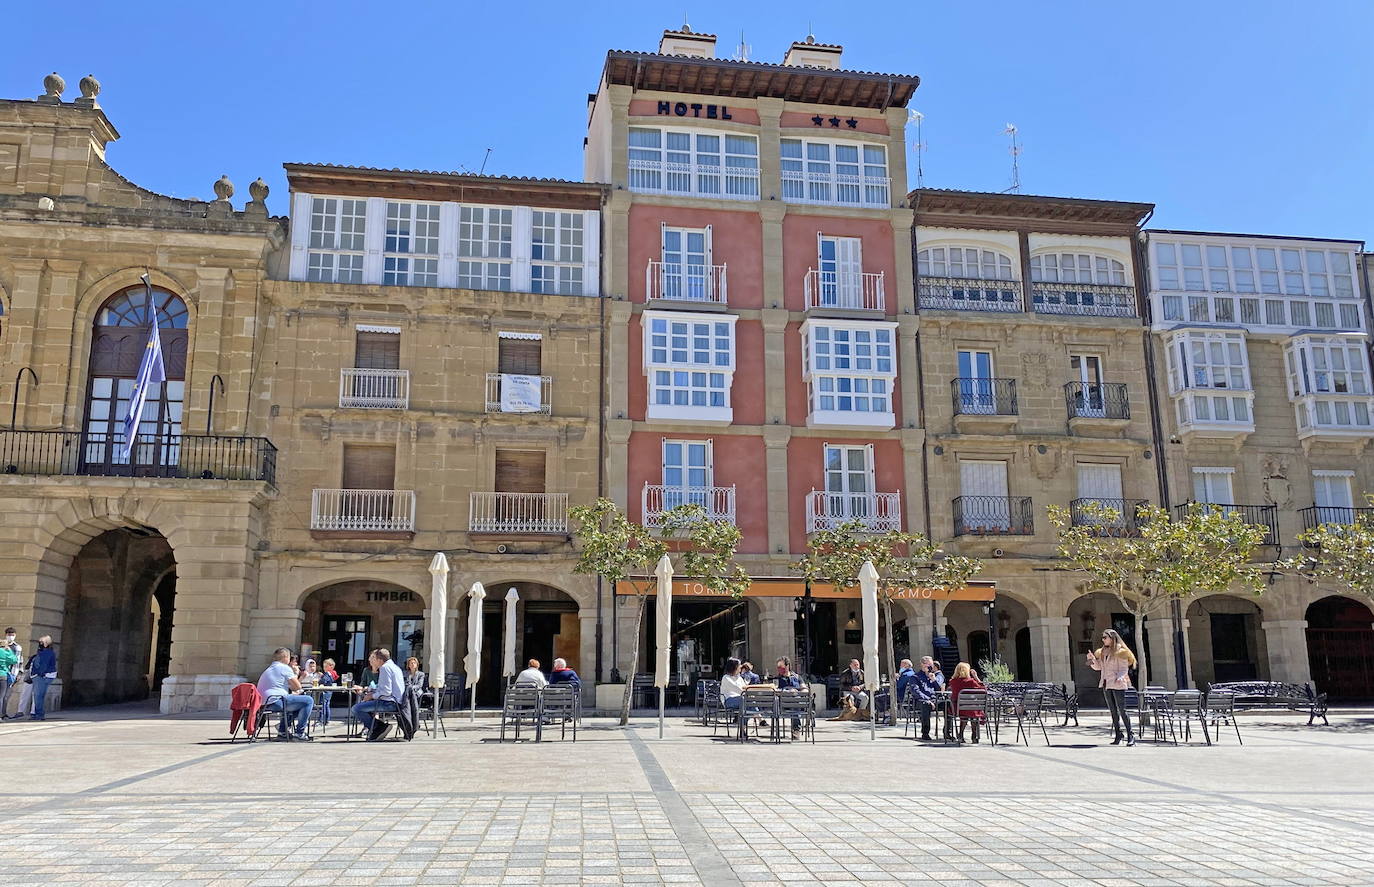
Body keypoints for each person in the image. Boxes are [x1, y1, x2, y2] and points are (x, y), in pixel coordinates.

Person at [1087, 628, 1137, 747]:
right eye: (1103, 637)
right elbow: (1099, 667)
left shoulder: (1121, 652)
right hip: (1106, 683)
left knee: (1122, 710)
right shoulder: (1102, 652)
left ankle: (1131, 735)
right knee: (1113, 711)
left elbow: (1124, 668)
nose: (1103, 640)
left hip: (1118, 683)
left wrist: (1119, 677)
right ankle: (1118, 734)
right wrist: (1092, 659)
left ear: (1112, 638)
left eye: (1105, 637)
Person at [256, 647, 314, 741]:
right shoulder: (284, 668)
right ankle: (300, 733)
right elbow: (297, 687)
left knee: (296, 704)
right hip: (276, 701)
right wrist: (296, 674)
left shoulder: (269, 668)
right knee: (308, 701)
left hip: (264, 703)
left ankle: (283, 731)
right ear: (285, 657)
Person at [351, 648, 405, 741]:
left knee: (356, 708)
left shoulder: (384, 668)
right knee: (364, 706)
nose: (370, 660)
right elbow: (384, 687)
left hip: (389, 703)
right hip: (396, 701)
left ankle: (378, 727)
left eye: (373, 658)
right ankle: (378, 727)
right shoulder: (395, 667)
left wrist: (371, 696)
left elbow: (386, 692)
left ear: (379, 660)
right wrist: (369, 690)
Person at [947, 661, 986, 743]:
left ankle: (960, 734)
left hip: (957, 709)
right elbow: (983, 689)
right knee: (972, 711)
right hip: (972, 709)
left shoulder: (952, 682)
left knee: (964, 713)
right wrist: (976, 677)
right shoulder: (971, 681)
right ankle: (974, 735)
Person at [908, 657, 945, 741]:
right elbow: (915, 691)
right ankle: (925, 733)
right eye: (927, 665)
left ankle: (947, 732)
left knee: (948, 704)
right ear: (922, 665)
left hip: (934, 700)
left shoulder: (933, 676)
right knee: (926, 705)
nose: (929, 667)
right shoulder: (915, 677)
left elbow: (938, 690)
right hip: (921, 701)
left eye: (931, 665)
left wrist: (934, 680)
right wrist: (927, 699)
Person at [28, 636, 57, 721]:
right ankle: (38, 713)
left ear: (46, 643)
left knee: (38, 696)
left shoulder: (46, 652)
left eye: (41, 642)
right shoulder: (49, 652)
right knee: (39, 695)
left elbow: (43, 665)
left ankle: (39, 714)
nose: (39, 643)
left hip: (41, 676)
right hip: (45, 675)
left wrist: (38, 674)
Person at [774, 657, 802, 740]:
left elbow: (804, 689)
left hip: (795, 702)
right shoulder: (777, 679)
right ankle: (796, 730)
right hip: (782, 703)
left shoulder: (797, 677)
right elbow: (774, 690)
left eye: (781, 666)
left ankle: (796, 730)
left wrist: (796, 692)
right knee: (794, 702)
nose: (779, 669)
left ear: (788, 666)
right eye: (778, 667)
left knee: (795, 702)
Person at [719, 657, 747, 733]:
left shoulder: (739, 678)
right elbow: (739, 689)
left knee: (748, 705)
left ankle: (743, 729)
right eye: (739, 665)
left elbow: (745, 688)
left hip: (740, 699)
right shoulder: (726, 678)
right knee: (746, 701)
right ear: (734, 667)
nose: (741, 667)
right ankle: (760, 720)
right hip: (729, 700)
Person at [0, 629, 19, 720]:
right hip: (3, 675)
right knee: (2, 696)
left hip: (7, 675)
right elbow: (15, 660)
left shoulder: (17, 647)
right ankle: (1, 715)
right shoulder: (5, 652)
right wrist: (8, 650)